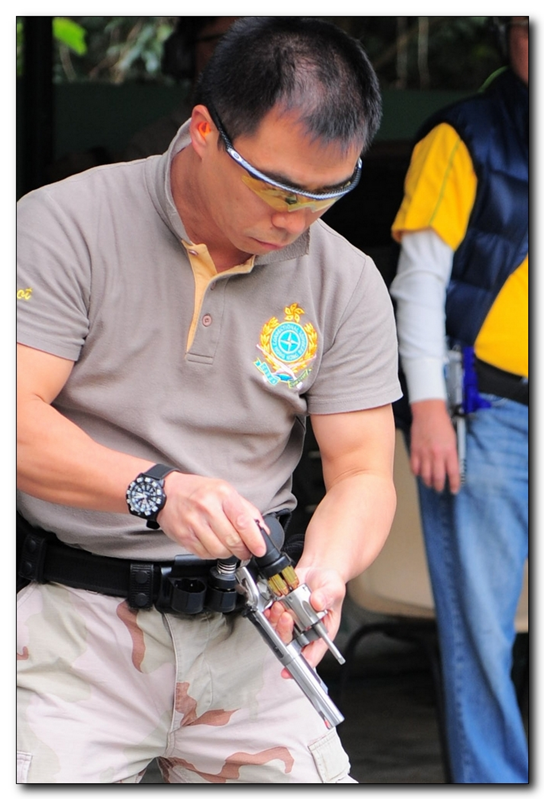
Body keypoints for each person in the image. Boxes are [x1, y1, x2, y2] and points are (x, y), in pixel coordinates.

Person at [17, 17, 401, 784]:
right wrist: (154, 491)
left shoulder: (345, 278)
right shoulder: (65, 224)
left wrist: (326, 571)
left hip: (252, 626)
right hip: (76, 616)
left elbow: (363, 473)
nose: (295, 220)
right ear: (203, 132)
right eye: (276, 188)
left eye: (326, 193)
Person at [389, 16, 528, 784]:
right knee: (482, 632)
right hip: (488, 413)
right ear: (509, 36)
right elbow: (418, 284)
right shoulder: (465, 134)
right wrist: (428, 409)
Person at [123, 17, 238, 160]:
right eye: (220, 44)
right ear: (185, 54)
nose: (237, 57)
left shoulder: (262, 133)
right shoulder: (152, 146)